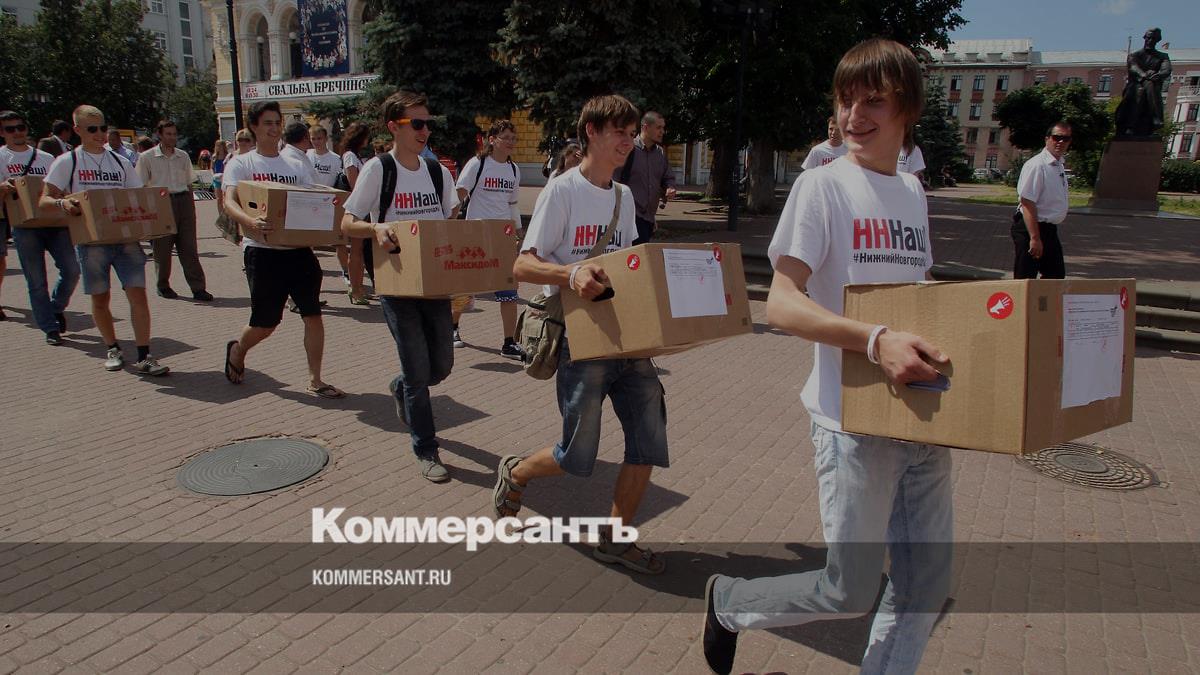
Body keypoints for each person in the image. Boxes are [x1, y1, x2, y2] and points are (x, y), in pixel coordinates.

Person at [701, 39, 951, 675]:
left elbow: (918, 292)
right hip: (852, 423)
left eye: (874, 101)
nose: (854, 115)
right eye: (845, 100)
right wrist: (875, 340)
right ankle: (730, 603)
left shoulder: (912, 191)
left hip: (922, 418)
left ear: (907, 109)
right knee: (849, 591)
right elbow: (781, 305)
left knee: (923, 588)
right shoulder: (822, 186)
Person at [492, 94, 668, 574]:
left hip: (628, 337)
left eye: (631, 134)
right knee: (577, 454)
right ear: (591, 131)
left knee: (648, 440)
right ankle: (517, 472)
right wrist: (571, 274)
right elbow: (522, 264)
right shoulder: (562, 191)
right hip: (580, 338)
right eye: (619, 133)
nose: (628, 142)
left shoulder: (623, 197)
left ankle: (615, 539)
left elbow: (629, 261)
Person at [341, 90, 459, 483]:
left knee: (441, 366)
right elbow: (348, 222)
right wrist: (376, 228)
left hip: (434, 282)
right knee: (417, 368)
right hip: (396, 284)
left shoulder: (437, 171)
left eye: (428, 123)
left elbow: (450, 216)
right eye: (417, 124)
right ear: (394, 126)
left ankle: (401, 386)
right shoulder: (379, 169)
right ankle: (426, 448)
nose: (425, 131)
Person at [220, 100, 344, 399]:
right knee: (265, 324)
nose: (274, 128)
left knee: (312, 314)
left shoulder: (296, 164)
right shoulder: (242, 163)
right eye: (267, 123)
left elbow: (314, 199)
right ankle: (238, 349)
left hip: (298, 251)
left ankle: (316, 379)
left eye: (277, 123)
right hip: (262, 252)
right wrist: (250, 221)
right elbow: (229, 201)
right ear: (254, 127)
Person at [40, 105, 170, 376]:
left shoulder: (120, 162)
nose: (99, 134)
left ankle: (144, 355)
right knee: (100, 297)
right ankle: (112, 348)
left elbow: (137, 195)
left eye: (102, 128)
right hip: (91, 242)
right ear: (77, 130)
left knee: (138, 295)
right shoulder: (67, 162)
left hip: (125, 240)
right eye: (92, 129)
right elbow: (44, 199)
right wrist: (63, 203)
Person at [1, 109, 78, 340]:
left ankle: (56, 307)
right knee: (36, 280)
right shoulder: (1, 157)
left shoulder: (45, 158)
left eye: (21, 127)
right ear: (2, 132)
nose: (17, 132)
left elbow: (62, 186)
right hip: (24, 226)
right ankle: (49, 327)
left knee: (72, 270)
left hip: (55, 221)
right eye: (10, 129)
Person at [451, 120, 525, 359]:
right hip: (476, 235)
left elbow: (512, 204)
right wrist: (449, 222)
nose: (511, 142)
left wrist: (519, 232)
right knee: (466, 287)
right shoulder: (478, 164)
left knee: (509, 290)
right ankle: (452, 328)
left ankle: (509, 343)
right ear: (492, 140)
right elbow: (460, 194)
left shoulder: (514, 170)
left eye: (513, 138)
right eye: (506, 137)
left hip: (502, 237)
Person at [138, 119, 212, 302]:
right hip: (161, 202)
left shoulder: (182, 156)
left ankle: (198, 288)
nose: (172, 138)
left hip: (183, 200)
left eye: (174, 134)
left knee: (189, 247)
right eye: (168, 134)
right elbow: (140, 185)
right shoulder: (147, 157)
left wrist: (191, 208)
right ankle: (163, 285)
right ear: (159, 135)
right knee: (163, 248)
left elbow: (189, 183)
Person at [1011, 121, 1072, 280]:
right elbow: (1027, 202)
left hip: (1049, 229)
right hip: (1031, 228)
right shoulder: (1037, 165)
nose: (1061, 142)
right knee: (1025, 279)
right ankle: (1024, 298)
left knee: (1055, 277)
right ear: (1047, 139)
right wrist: (1035, 238)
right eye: (1056, 137)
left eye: (1066, 139)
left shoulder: (1058, 164)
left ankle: (1042, 298)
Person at [612, 111, 676, 245]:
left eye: (663, 128)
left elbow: (667, 176)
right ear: (645, 127)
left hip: (648, 218)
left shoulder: (660, 153)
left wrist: (669, 187)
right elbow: (613, 180)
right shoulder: (629, 149)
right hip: (629, 215)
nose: (662, 132)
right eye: (658, 127)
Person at [1115, 28, 1172, 138]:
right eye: (1148, 38)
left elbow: (1167, 70)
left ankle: (1132, 126)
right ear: (1144, 38)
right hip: (1134, 86)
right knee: (1142, 89)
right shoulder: (1134, 55)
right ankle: (1156, 119)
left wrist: (1158, 75)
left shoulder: (1163, 57)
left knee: (1148, 86)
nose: (1150, 41)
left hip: (1152, 86)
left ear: (1157, 40)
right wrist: (1145, 75)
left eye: (1153, 39)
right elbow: (1133, 67)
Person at [338, 121, 372, 303]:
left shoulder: (355, 156)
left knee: (360, 251)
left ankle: (358, 287)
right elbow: (354, 183)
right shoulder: (350, 156)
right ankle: (355, 289)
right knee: (356, 251)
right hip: (357, 208)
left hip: (362, 207)